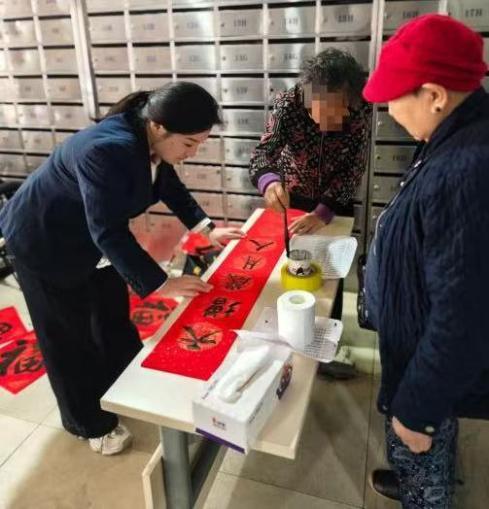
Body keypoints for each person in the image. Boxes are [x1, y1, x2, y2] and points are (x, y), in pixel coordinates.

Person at [0, 82, 244, 455]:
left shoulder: (147, 135)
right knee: (67, 338)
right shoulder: (107, 150)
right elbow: (109, 231)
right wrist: (161, 284)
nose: (192, 153)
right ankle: (88, 423)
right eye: (189, 144)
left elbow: (168, 186)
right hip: (45, 241)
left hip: (91, 240)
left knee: (112, 315)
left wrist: (209, 229)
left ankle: (128, 383)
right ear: (160, 126)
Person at [362, 14, 489, 507]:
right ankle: (416, 475)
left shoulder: (468, 169)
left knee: (423, 450)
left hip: (427, 371)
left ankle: (424, 494)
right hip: (419, 354)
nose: (392, 114)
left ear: (434, 95)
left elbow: (464, 316)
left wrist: (418, 409)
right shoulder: (455, 137)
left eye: (395, 100)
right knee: (426, 445)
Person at [249, 48, 372, 378]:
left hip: (334, 203)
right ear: (309, 94)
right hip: (294, 197)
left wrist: (323, 212)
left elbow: (353, 170)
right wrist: (269, 182)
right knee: (295, 268)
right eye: (328, 108)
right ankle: (291, 337)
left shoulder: (359, 110)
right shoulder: (289, 103)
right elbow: (263, 153)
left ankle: (325, 346)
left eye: (344, 109)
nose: (337, 118)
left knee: (330, 275)